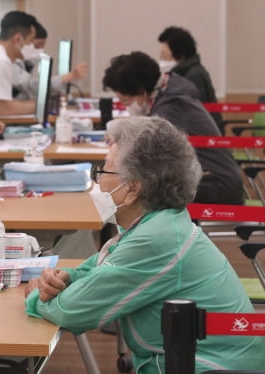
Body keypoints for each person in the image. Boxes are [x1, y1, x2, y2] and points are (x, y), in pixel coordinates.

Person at [24, 116, 265, 373]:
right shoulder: (161, 224)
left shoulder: (155, 240)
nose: (98, 181)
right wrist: (63, 279)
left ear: (133, 189)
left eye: (103, 170)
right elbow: (96, 270)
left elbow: (72, 313)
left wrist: (35, 296)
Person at [102, 51, 243, 205]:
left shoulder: (171, 108)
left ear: (141, 91)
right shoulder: (170, 92)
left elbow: (148, 155)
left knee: (138, 193)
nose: (126, 107)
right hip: (213, 180)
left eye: (126, 100)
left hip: (216, 186)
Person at [158, 26, 224, 132]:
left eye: (165, 56)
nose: (162, 60)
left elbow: (192, 114)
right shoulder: (184, 73)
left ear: (180, 54)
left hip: (205, 137)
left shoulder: (193, 75)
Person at [13, 18, 88, 100]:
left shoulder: (27, 64)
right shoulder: (11, 63)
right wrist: (68, 77)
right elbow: (30, 86)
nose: (40, 50)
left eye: (43, 46)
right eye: (37, 45)